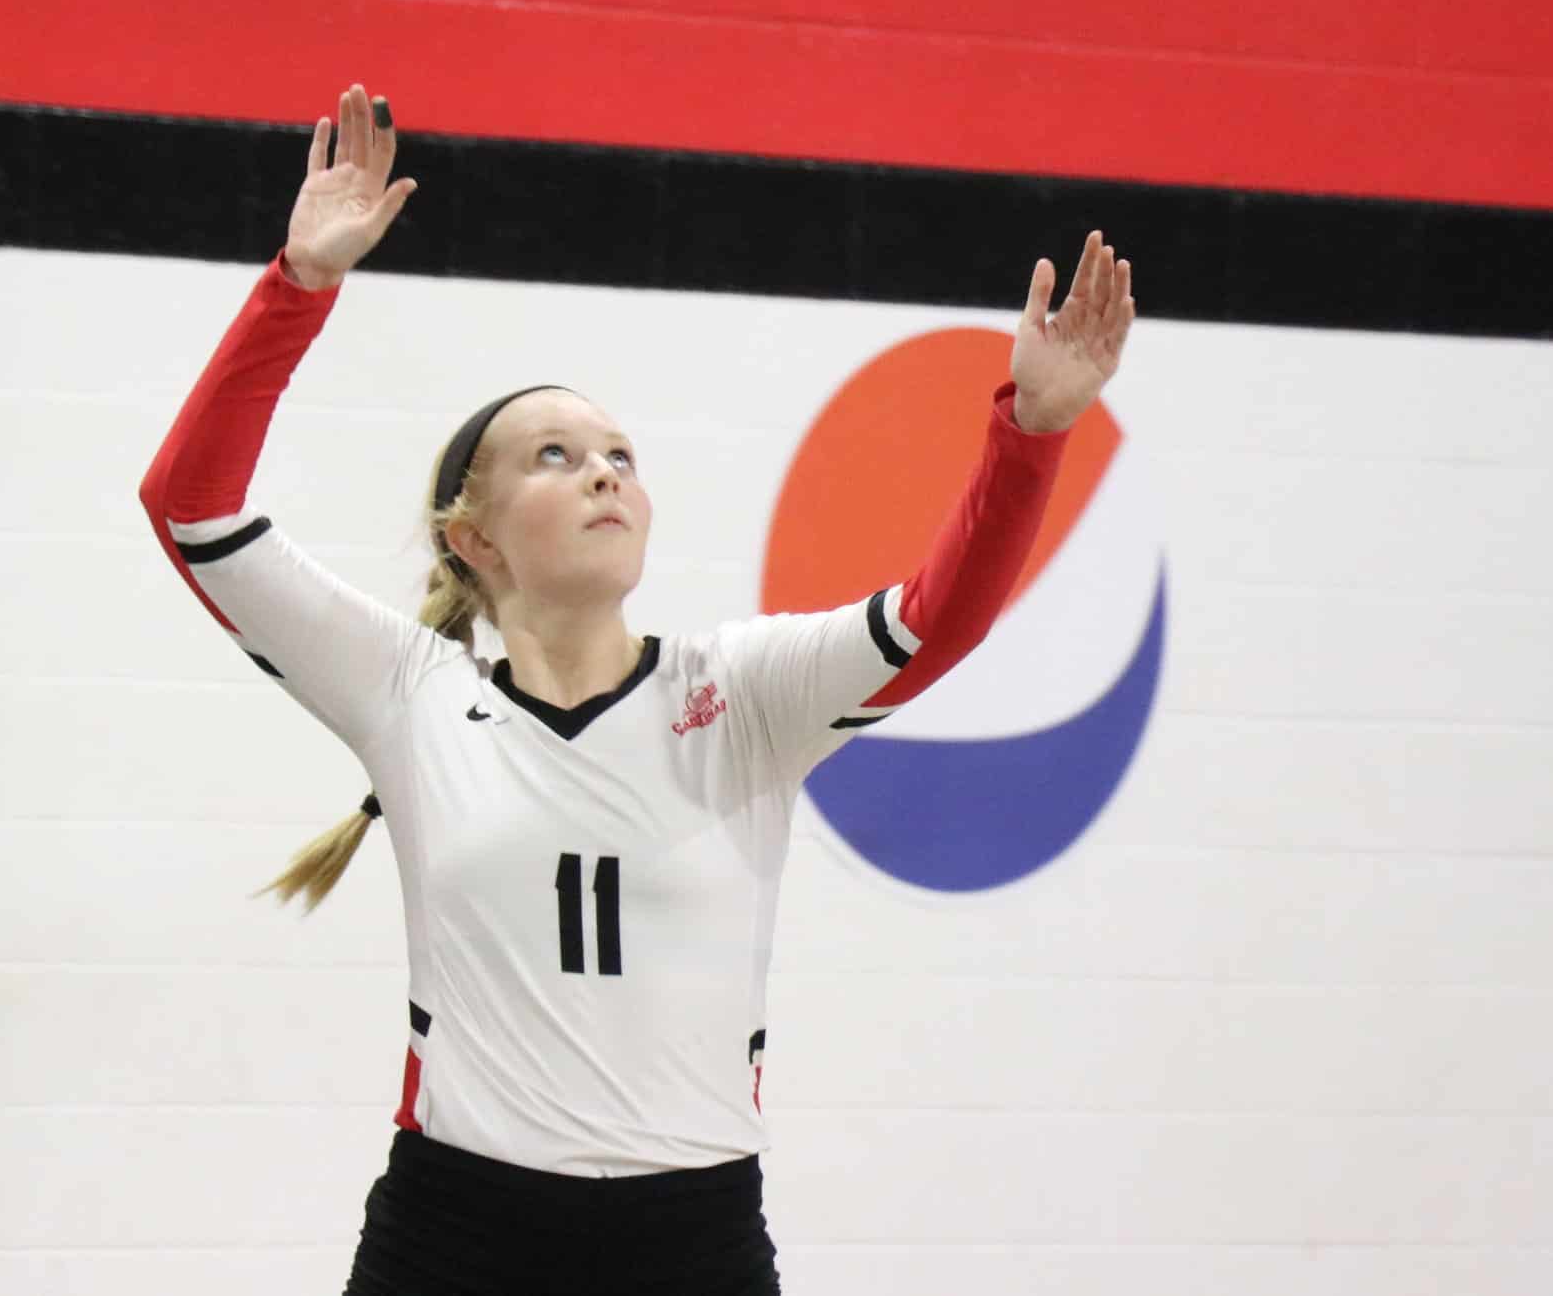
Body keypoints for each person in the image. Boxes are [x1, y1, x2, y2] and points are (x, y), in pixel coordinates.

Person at [136, 83, 1136, 1295]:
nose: (604, 474)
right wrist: (296, 284)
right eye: (554, 456)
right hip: (457, 1227)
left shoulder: (743, 693)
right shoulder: (407, 690)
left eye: (620, 456)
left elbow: (941, 615)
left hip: (691, 1239)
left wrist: (1032, 427)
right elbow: (190, 505)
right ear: (476, 538)